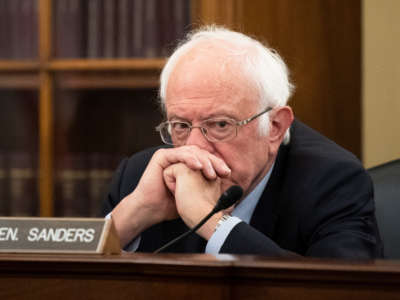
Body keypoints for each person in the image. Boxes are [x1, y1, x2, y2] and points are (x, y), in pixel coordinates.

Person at [102, 26, 383, 258]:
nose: (195, 147)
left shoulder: (332, 181)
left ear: (274, 127)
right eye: (181, 125)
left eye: (220, 124)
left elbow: (337, 292)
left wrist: (209, 220)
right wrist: (134, 213)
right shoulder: (140, 177)